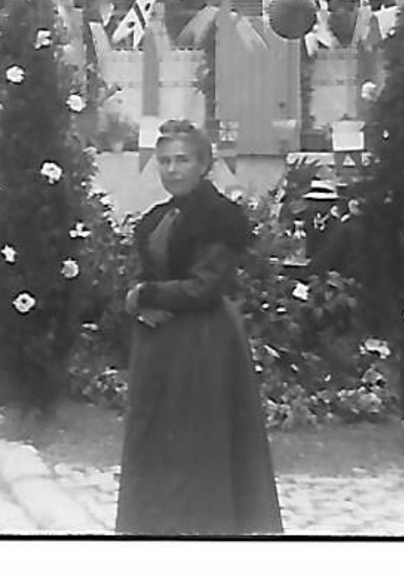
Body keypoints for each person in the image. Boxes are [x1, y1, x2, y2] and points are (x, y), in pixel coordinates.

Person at [115, 119, 282, 536]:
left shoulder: (220, 218)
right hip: (159, 343)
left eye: (183, 160)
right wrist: (139, 302)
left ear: (203, 163)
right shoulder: (156, 219)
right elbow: (141, 276)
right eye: (165, 161)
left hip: (204, 340)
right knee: (158, 438)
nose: (172, 170)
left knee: (198, 437)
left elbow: (204, 287)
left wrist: (146, 296)